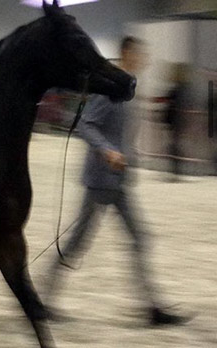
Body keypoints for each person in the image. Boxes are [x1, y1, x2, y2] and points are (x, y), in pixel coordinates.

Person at [45, 37, 189, 325]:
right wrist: (107, 150)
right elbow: (84, 124)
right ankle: (41, 299)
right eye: (140, 53)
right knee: (77, 244)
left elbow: (120, 132)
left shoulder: (128, 86)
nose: (144, 58)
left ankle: (152, 307)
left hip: (117, 182)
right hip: (100, 181)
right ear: (127, 53)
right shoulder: (109, 87)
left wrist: (126, 155)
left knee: (138, 239)